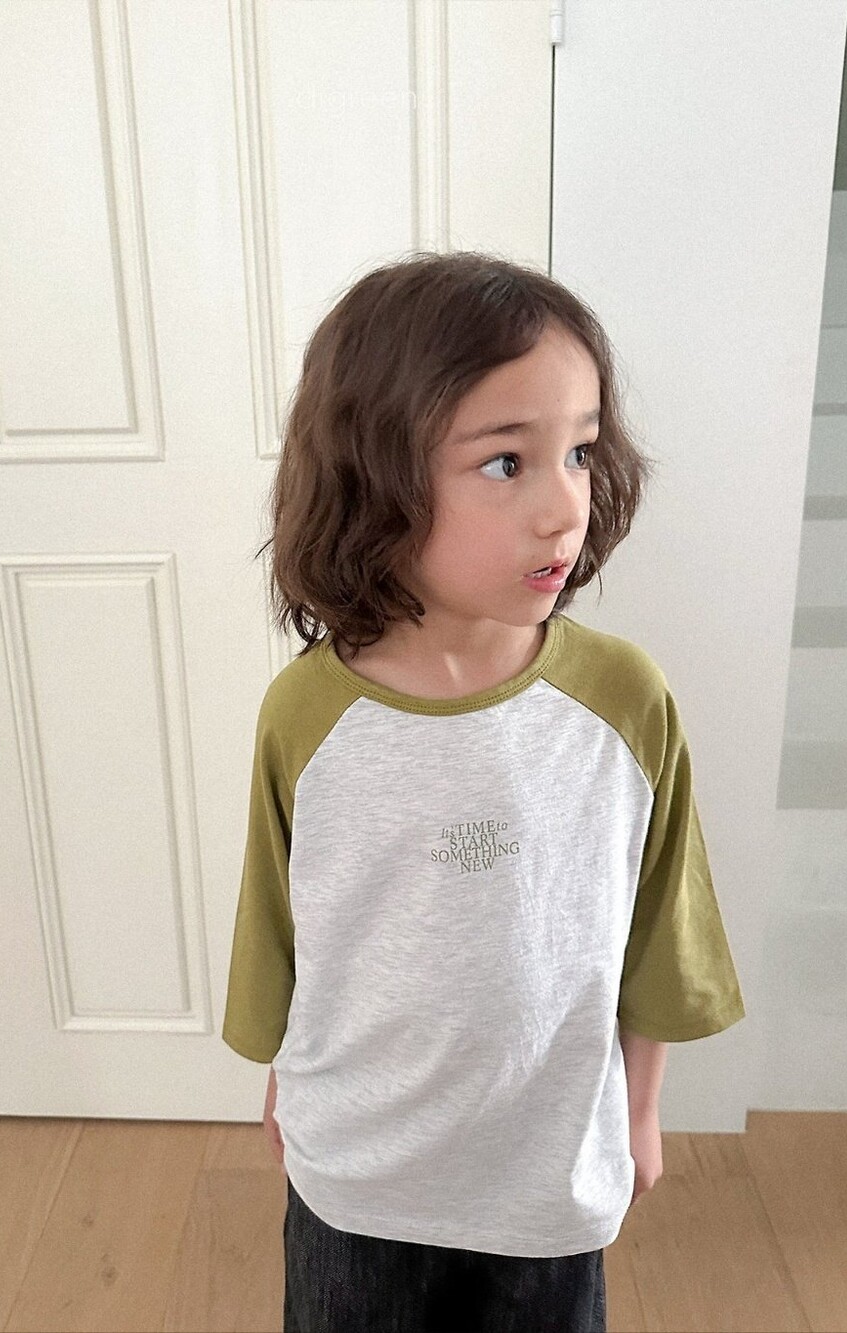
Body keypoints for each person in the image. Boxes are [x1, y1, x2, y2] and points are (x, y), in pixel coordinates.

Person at [221, 251, 746, 1333]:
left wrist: (640, 1108)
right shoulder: (306, 713)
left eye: (580, 452)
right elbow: (286, 919)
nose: (563, 507)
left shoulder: (622, 699)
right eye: (506, 462)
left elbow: (659, 921)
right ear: (375, 474)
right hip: (357, 1176)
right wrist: (282, 1080)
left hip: (545, 1178)